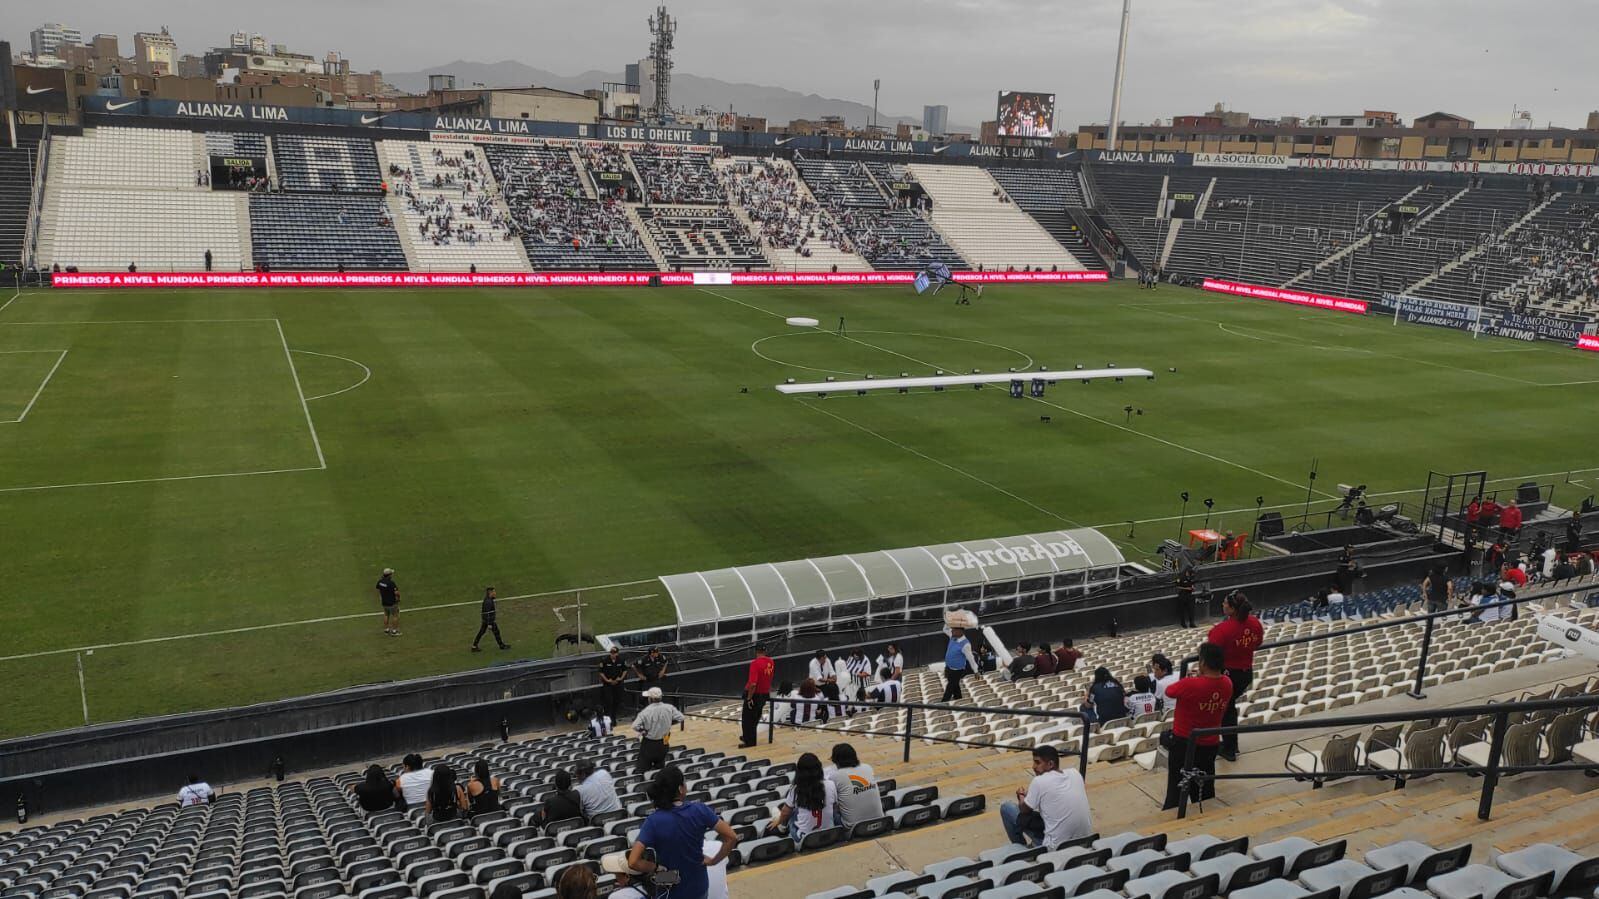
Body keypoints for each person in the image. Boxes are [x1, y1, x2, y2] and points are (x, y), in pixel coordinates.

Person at [627, 766, 739, 899]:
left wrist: (656, 868)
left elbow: (633, 862)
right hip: (698, 885)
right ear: (680, 789)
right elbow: (731, 837)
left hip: (669, 889)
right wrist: (714, 861)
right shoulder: (700, 810)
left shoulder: (653, 821)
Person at [1161, 642, 1233, 810]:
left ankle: (1172, 819)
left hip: (1185, 744)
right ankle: (1205, 814)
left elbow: (1170, 691)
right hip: (1211, 743)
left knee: (1177, 786)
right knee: (1205, 787)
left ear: (1203, 663)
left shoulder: (1190, 684)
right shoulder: (1228, 683)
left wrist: (1191, 678)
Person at [998, 745, 1092, 849]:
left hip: (1055, 846)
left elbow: (1024, 810)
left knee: (1007, 808)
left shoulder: (1039, 781)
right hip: (1084, 841)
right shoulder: (1075, 773)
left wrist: (1020, 795)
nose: (1033, 766)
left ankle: (1021, 848)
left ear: (1050, 764)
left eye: (1037, 762)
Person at [1207, 592, 1263, 762]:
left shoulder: (1222, 630)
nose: (1222, 605)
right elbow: (1257, 642)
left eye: (1225, 603)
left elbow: (1211, 656)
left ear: (1231, 608)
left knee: (1227, 711)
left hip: (1229, 676)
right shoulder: (1255, 623)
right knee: (1228, 708)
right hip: (1246, 673)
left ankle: (1230, 748)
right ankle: (1230, 745)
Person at [767, 752, 837, 841]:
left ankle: (782, 827)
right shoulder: (831, 784)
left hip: (805, 839)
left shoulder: (796, 789)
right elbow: (835, 807)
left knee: (791, 814)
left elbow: (785, 812)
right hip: (829, 834)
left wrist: (779, 821)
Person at [826, 743, 883, 827]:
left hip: (853, 828)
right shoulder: (867, 767)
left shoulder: (835, 776)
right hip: (880, 822)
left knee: (829, 809)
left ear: (836, 761)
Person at [634, 687, 683, 772]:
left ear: (650, 699)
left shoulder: (645, 711)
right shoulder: (669, 707)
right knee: (660, 767)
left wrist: (644, 731)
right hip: (665, 741)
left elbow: (635, 726)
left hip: (649, 743)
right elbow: (681, 718)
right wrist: (669, 723)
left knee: (642, 769)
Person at [741, 645, 775, 748]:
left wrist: (749, 698)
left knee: (747, 719)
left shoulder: (755, 664)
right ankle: (748, 737)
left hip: (754, 694)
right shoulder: (771, 662)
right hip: (764, 694)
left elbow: (753, 684)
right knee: (756, 717)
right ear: (765, 651)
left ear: (756, 652)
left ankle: (749, 742)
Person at [941, 625, 978, 702]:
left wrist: (976, 671)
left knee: (950, 687)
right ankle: (959, 698)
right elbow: (944, 629)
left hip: (957, 670)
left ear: (960, 631)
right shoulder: (952, 635)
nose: (951, 631)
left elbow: (971, 659)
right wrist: (949, 622)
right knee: (955, 684)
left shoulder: (966, 645)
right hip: (949, 667)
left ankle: (943, 703)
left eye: (954, 630)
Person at [472, 586, 510, 652]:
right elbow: (488, 613)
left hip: (486, 620)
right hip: (489, 620)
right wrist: (489, 623)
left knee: (482, 632)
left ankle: (474, 646)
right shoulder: (488, 602)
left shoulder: (488, 599)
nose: (495, 593)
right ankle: (501, 645)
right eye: (494, 592)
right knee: (496, 632)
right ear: (490, 592)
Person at [598, 646, 629, 723]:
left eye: (614, 653)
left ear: (617, 653)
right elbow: (601, 672)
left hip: (618, 684)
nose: (612, 654)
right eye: (611, 653)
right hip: (608, 684)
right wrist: (607, 680)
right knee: (608, 702)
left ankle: (613, 718)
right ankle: (607, 719)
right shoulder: (605, 660)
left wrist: (621, 678)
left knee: (617, 701)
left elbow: (625, 670)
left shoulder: (621, 660)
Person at [809, 650, 843, 717]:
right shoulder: (812, 664)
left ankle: (834, 708)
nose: (826, 658)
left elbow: (831, 671)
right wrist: (830, 680)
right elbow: (819, 678)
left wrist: (834, 677)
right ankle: (821, 712)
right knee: (820, 699)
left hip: (825, 684)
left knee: (832, 691)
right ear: (821, 658)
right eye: (824, 657)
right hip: (815, 685)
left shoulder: (827, 660)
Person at [376, 567, 400, 636]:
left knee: (386, 615)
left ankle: (386, 629)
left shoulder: (380, 582)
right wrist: (398, 598)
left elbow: (378, 589)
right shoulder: (391, 583)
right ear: (389, 575)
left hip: (384, 602)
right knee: (395, 615)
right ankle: (394, 631)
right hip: (392, 602)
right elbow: (397, 593)